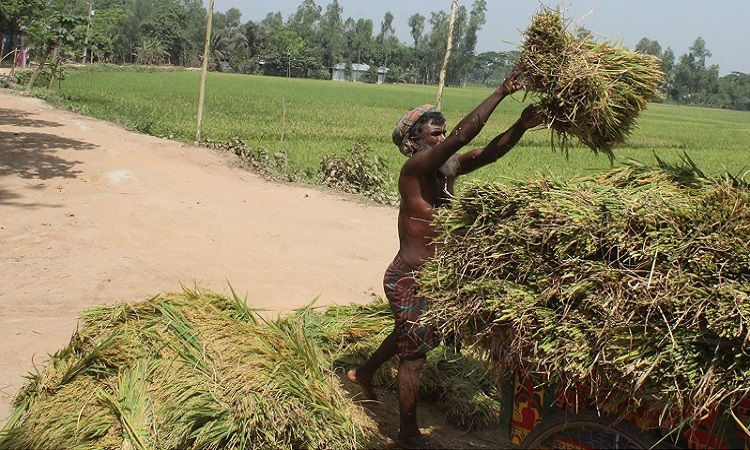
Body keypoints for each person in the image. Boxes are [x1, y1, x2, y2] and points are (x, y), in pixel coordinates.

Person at [347, 69, 543, 449]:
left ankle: (363, 372)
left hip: (433, 278)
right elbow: (463, 137)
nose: (441, 139)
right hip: (408, 275)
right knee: (415, 357)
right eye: (433, 134)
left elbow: (489, 152)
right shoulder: (415, 169)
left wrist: (520, 125)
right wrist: (502, 90)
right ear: (412, 142)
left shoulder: (447, 169)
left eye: (441, 132)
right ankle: (406, 434)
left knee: (411, 338)